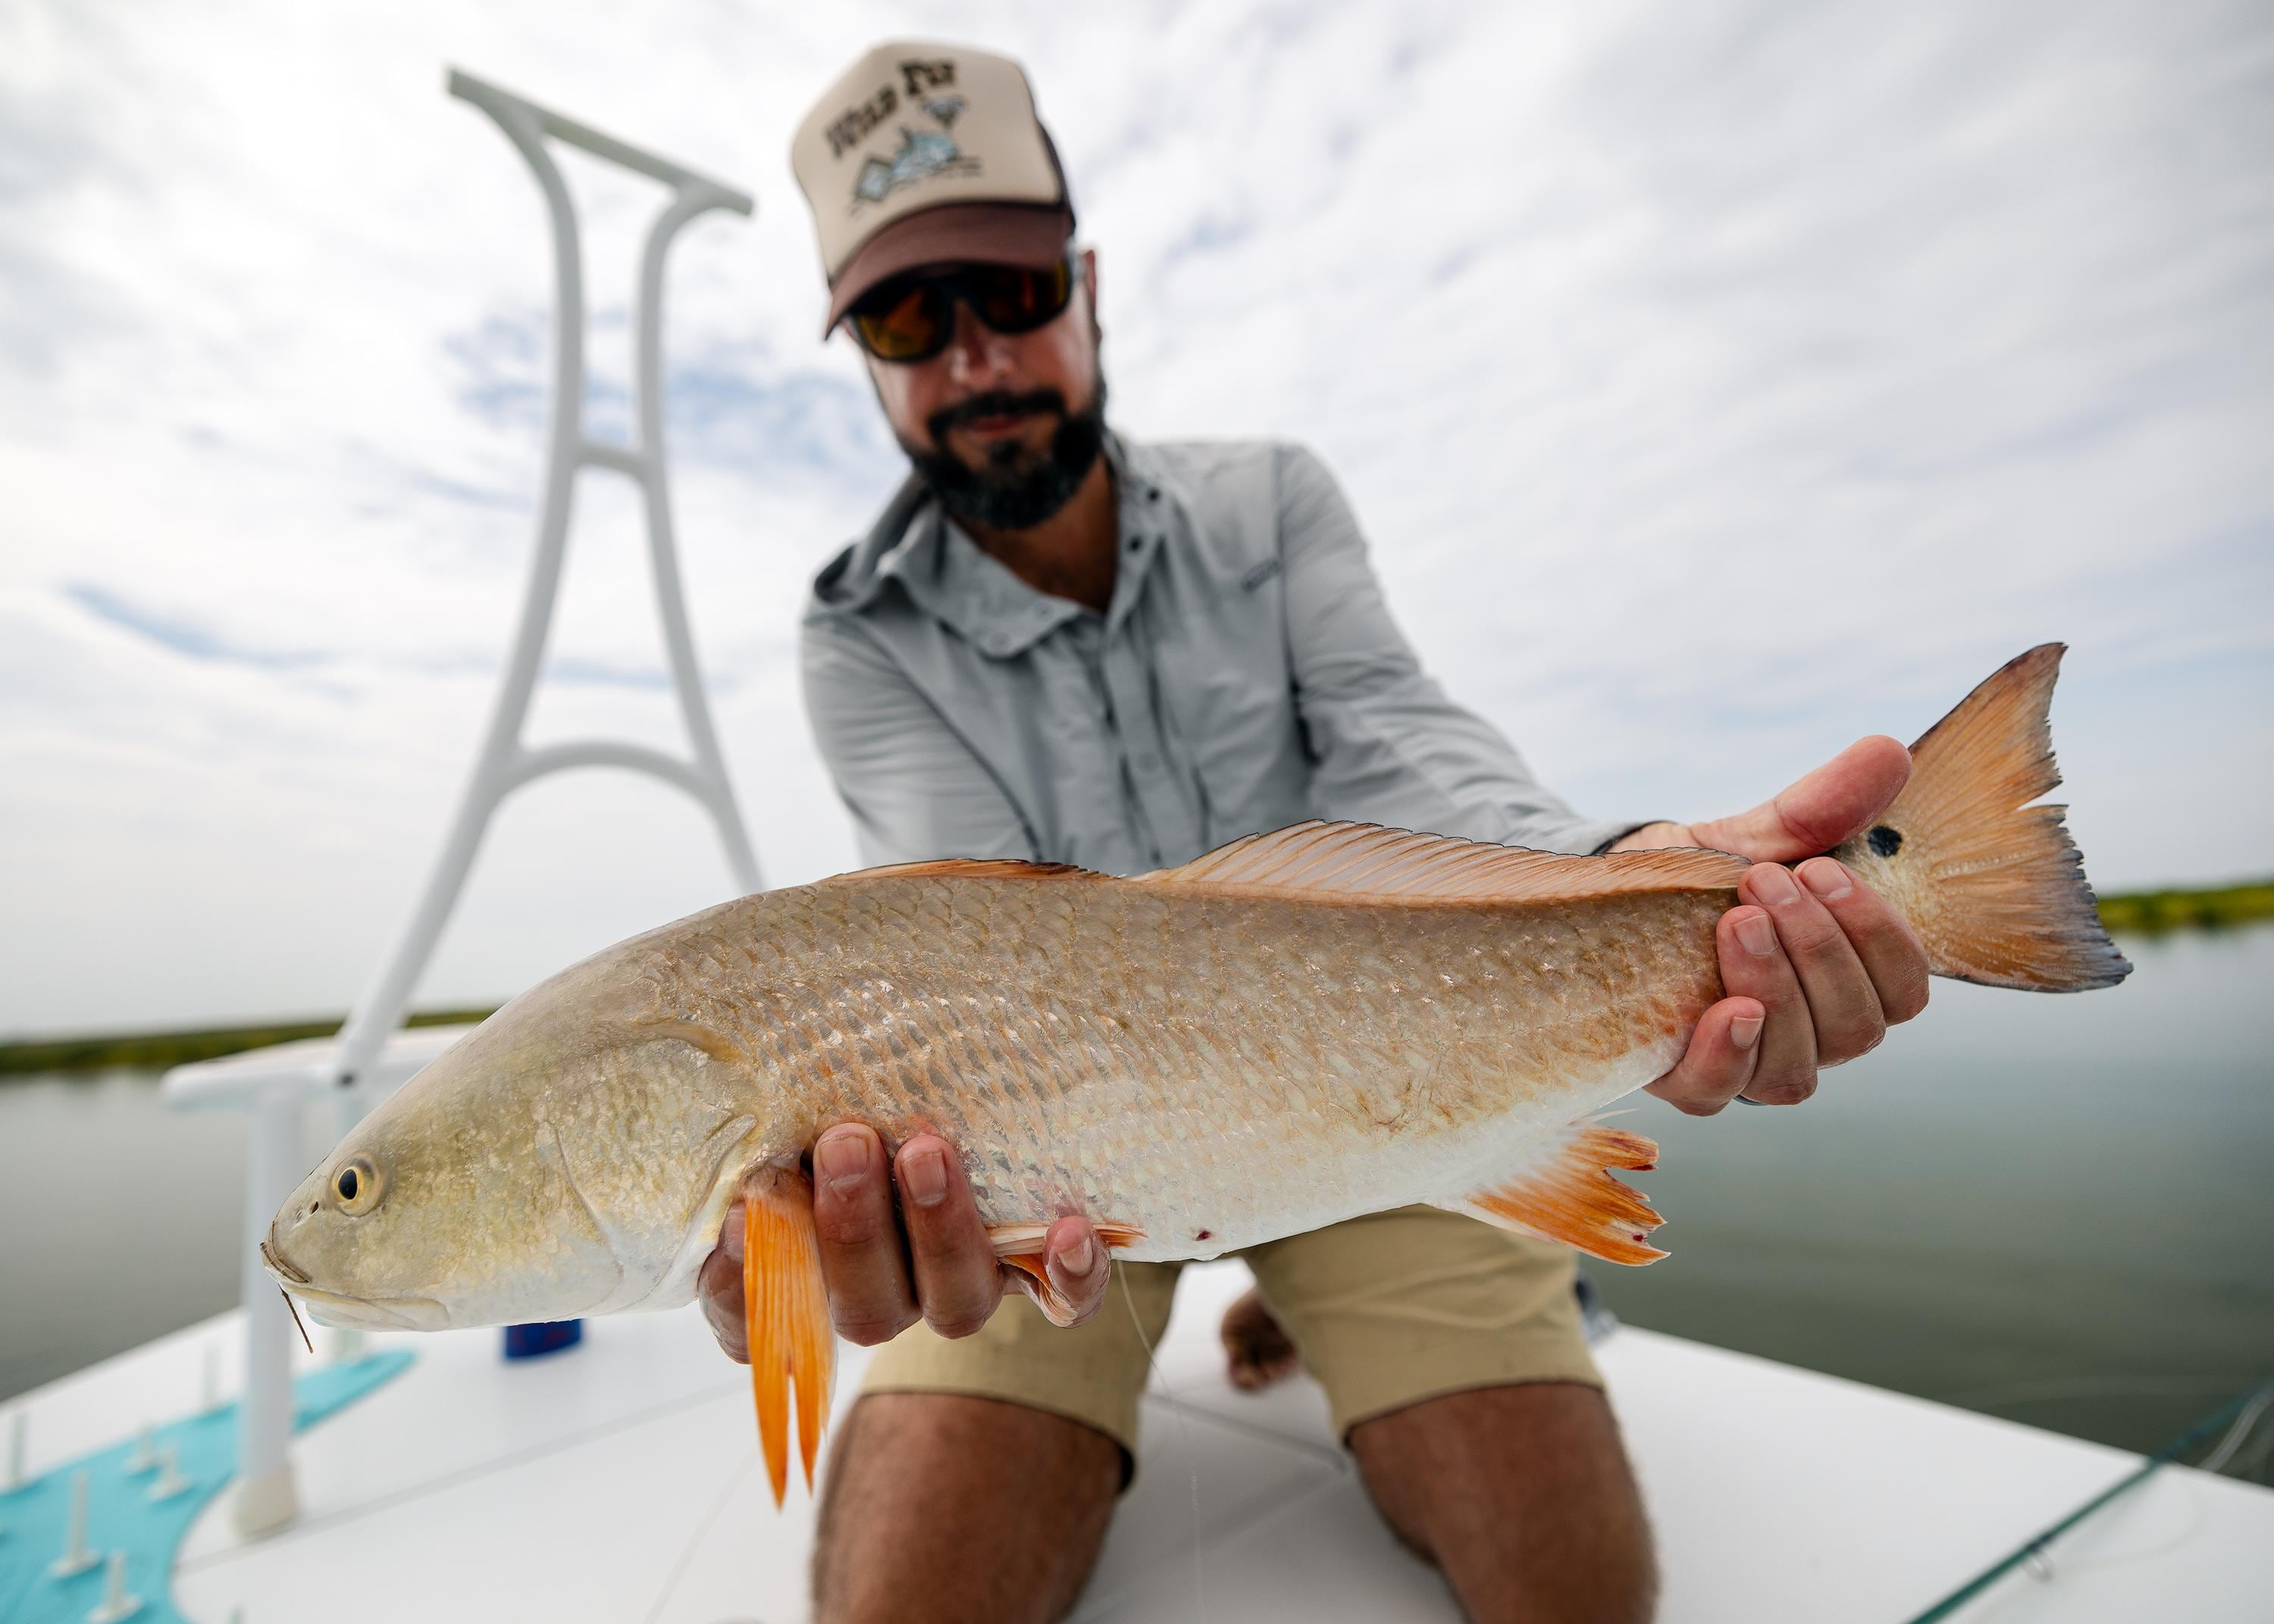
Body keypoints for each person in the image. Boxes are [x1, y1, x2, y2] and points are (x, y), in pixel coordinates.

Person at [697, 41, 1929, 1624]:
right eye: (905, 321)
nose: (976, 358)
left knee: (1577, 1589)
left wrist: (1626, 873)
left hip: (1383, 1092)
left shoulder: (1273, 502)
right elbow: (961, 939)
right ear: (867, 362)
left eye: (1009, 292)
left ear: (1088, 288)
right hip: (1020, 1166)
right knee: (906, 1601)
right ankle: (1265, 1286)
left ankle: (1316, 1276)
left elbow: (1405, 743)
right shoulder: (855, 638)